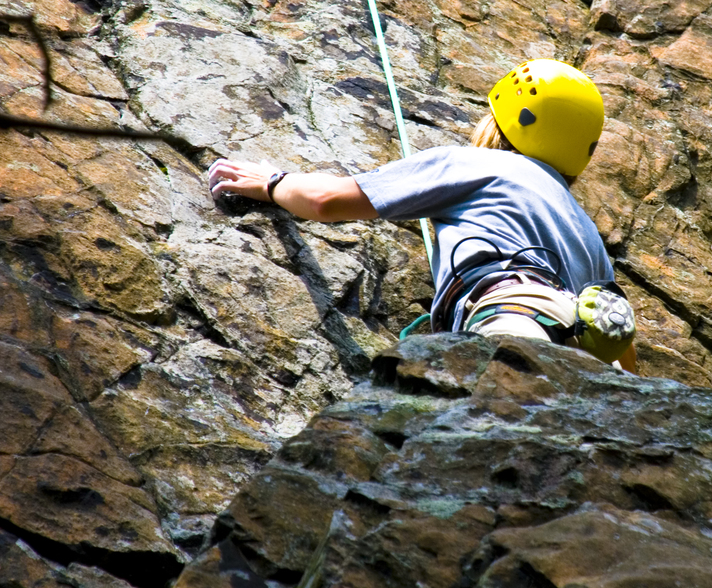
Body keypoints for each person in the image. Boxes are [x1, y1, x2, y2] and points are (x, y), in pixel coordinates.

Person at [206, 58, 638, 369]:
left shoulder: (474, 163)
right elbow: (626, 354)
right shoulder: (586, 231)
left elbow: (326, 201)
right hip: (588, 357)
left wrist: (272, 183)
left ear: (504, 122)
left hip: (514, 318)